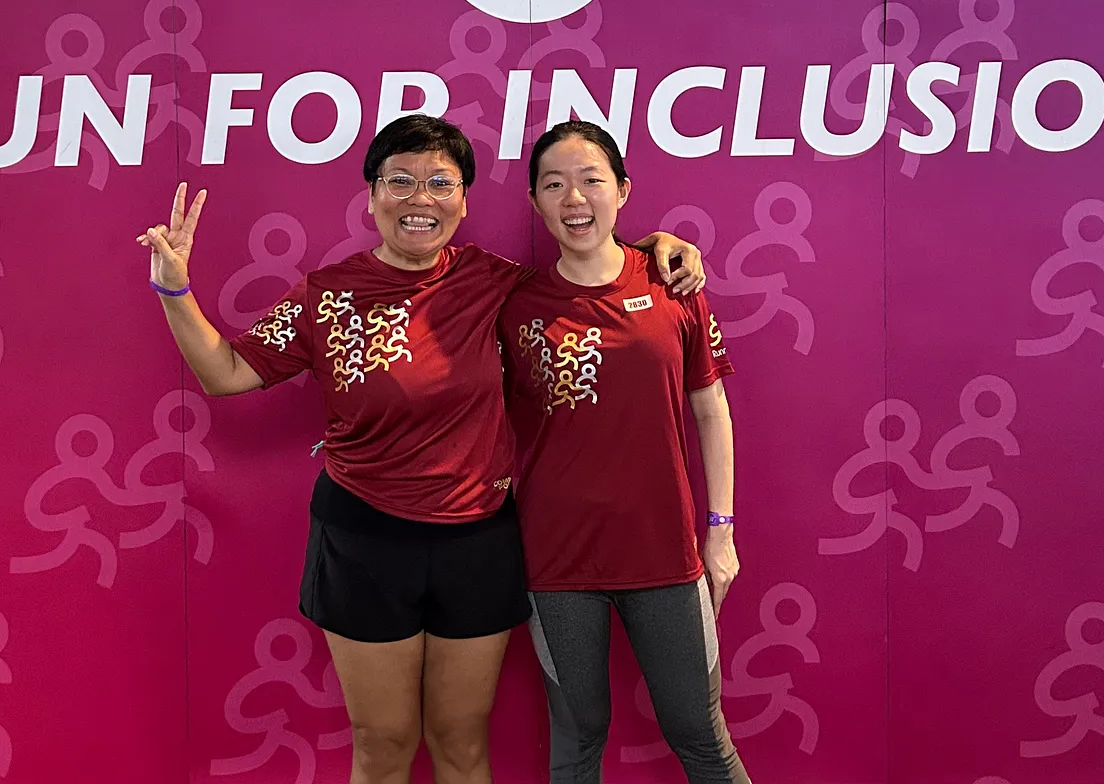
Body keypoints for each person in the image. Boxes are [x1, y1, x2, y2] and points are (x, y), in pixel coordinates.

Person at [135, 115, 705, 784]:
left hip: (478, 543)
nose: (420, 199)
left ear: (463, 200)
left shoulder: (498, 284)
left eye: (440, 183)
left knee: (461, 741)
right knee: (384, 745)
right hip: (363, 542)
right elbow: (226, 373)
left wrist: (660, 247)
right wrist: (173, 288)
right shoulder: (328, 296)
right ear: (372, 195)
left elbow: (588, 263)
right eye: (399, 181)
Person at [500, 121, 750, 784]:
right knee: (577, 740)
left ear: (622, 191)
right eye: (554, 184)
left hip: (664, 553)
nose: (573, 197)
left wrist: (720, 531)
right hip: (555, 561)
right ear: (535, 202)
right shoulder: (515, 305)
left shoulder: (674, 284)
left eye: (591, 180)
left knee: (700, 734)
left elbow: (710, 409)